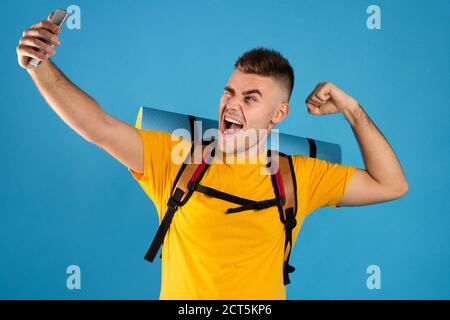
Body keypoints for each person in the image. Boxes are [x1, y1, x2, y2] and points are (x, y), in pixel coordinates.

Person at [16, 12, 409, 300]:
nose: (231, 105)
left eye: (251, 98)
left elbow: (391, 184)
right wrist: (39, 67)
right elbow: (96, 126)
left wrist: (352, 110)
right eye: (229, 92)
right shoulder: (175, 158)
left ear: (279, 115)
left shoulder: (298, 175)